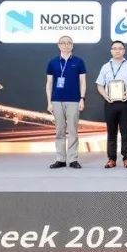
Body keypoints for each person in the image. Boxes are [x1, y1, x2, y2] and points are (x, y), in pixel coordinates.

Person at [95, 40, 127, 169]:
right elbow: (99, 85)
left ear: (124, 51)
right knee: (111, 132)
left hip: (125, 102)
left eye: (120, 48)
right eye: (114, 48)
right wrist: (105, 96)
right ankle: (111, 159)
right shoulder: (105, 67)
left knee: (126, 132)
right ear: (111, 51)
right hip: (110, 103)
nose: (117, 51)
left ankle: (126, 158)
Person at [45, 35, 87, 169]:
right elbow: (49, 83)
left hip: (74, 100)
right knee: (59, 131)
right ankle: (61, 159)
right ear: (58, 45)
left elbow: (83, 82)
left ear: (72, 46)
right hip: (57, 100)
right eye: (63, 43)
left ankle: (73, 159)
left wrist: (82, 98)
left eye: (69, 43)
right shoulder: (52, 62)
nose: (66, 45)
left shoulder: (79, 62)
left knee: (73, 131)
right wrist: (49, 102)